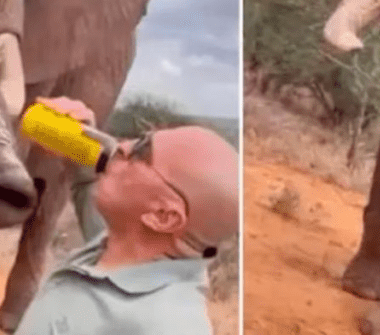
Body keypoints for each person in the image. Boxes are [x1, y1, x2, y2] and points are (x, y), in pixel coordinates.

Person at [13, 97, 239, 335]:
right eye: (139, 138)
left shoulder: (169, 325)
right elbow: (89, 182)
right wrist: (82, 135)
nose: (123, 145)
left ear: (162, 216)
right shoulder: (121, 247)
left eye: (141, 152)